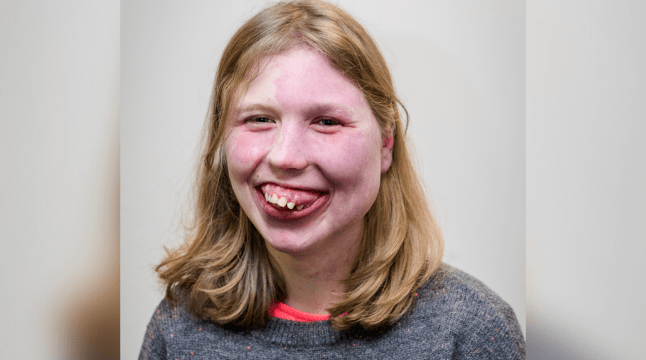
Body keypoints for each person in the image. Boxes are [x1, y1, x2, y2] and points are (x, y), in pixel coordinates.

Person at [139, 0, 525, 358]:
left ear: (386, 144)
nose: (285, 156)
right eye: (259, 119)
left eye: (327, 122)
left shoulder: (470, 332)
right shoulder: (179, 327)